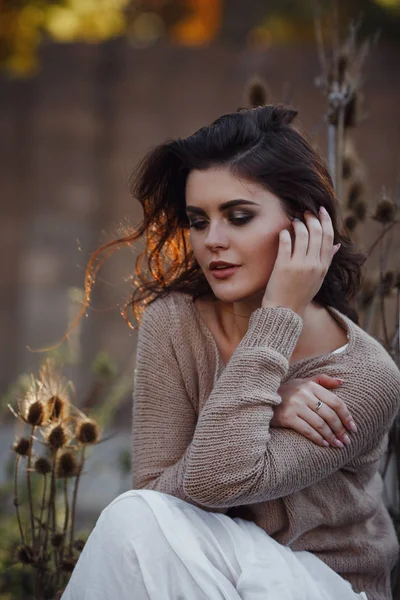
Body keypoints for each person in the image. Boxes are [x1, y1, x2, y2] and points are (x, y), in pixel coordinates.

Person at [61, 104, 400, 600]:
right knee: (133, 519)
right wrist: (270, 402)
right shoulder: (174, 322)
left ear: (307, 225)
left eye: (239, 217)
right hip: (204, 572)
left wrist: (279, 312)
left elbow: (216, 482)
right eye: (199, 221)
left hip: (324, 584)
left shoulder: (365, 375)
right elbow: (154, 501)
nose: (212, 241)